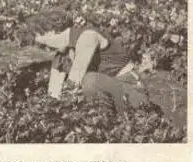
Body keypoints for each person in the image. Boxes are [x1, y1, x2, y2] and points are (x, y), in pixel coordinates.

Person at [29, 9, 186, 132]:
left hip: (132, 92)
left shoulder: (87, 36)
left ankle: (106, 129)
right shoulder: (60, 55)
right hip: (112, 96)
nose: (46, 49)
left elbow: (74, 81)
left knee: (90, 81)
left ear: (56, 33)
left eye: (45, 44)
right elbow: (53, 94)